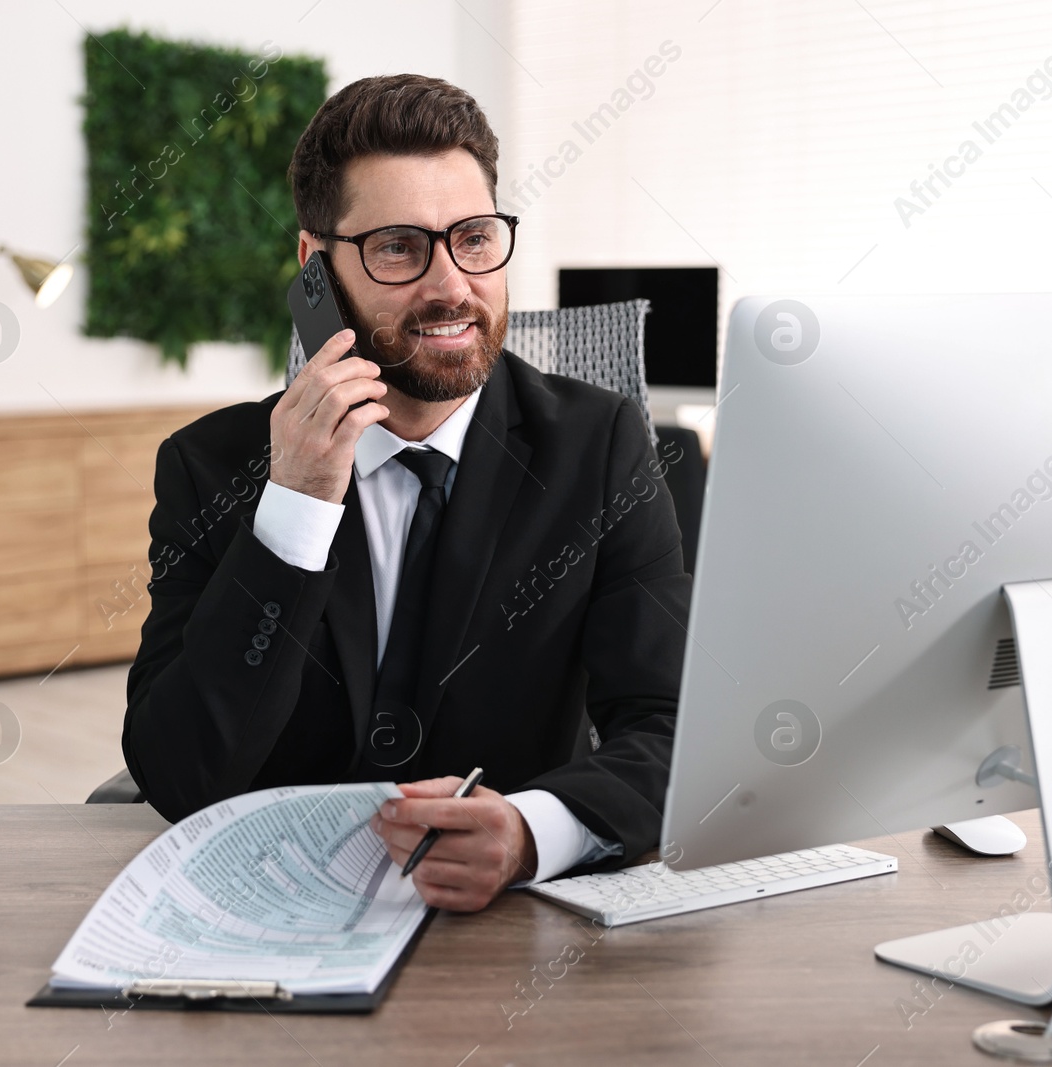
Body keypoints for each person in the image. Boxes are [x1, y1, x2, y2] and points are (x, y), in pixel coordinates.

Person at [122, 74, 692, 912]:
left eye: (474, 237)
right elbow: (179, 771)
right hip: (278, 913)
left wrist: (535, 830)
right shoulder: (211, 467)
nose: (452, 284)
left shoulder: (598, 448)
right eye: (398, 246)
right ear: (316, 272)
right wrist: (298, 506)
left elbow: (673, 729)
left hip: (513, 928)